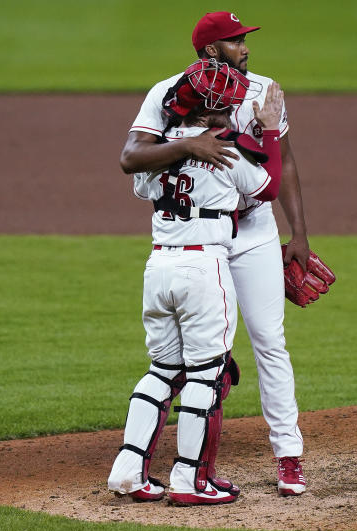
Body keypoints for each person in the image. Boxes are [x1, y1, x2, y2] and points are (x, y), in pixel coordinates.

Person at [119, 11, 308, 497]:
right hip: (207, 245)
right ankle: (196, 472)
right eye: (235, 41)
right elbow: (263, 178)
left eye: (245, 39)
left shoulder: (263, 89)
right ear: (210, 51)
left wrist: (299, 235)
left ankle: (288, 457)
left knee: (268, 341)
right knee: (207, 364)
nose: (245, 47)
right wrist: (204, 144)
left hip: (237, 237)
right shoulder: (171, 91)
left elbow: (284, 164)